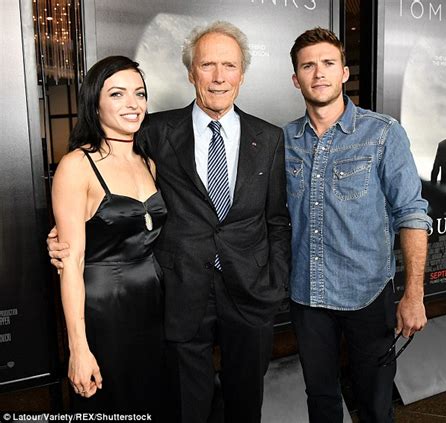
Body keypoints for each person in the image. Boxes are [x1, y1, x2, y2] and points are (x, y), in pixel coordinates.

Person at [50, 22, 290, 422]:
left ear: (242, 74)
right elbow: (102, 190)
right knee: (184, 408)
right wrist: (62, 237)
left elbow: (277, 221)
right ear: (190, 72)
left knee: (245, 406)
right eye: (207, 65)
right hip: (178, 296)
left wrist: (275, 280)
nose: (218, 77)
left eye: (229, 66)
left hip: (250, 294)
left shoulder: (269, 137)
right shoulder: (152, 132)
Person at [284, 28, 432, 422]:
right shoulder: (283, 140)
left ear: (344, 73)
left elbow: (412, 213)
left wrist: (414, 294)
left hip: (368, 294)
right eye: (308, 65)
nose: (319, 73)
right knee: (321, 401)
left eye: (328, 63)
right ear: (295, 78)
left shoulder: (383, 133)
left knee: (375, 405)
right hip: (306, 297)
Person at [51, 56, 167, 413]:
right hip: (103, 310)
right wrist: (79, 348)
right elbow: (71, 261)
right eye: (117, 94)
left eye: (140, 93)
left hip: (153, 305)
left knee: (154, 401)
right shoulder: (76, 166)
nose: (132, 104)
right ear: (95, 104)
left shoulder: (149, 162)